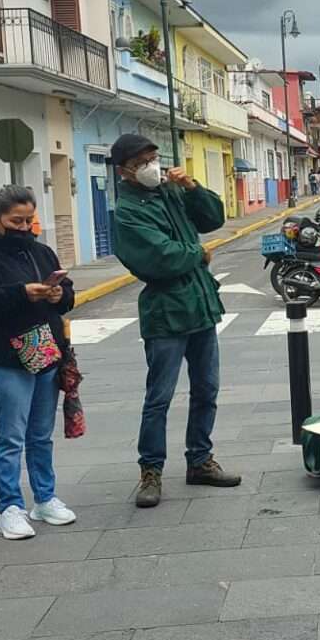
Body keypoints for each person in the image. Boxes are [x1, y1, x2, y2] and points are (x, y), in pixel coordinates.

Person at [110, 133, 242, 508]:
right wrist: (197, 255)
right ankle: (150, 470)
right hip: (166, 312)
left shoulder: (170, 192)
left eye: (155, 158)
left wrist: (193, 187)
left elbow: (212, 218)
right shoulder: (127, 212)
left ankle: (200, 460)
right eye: (143, 162)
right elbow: (157, 256)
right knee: (160, 397)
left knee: (207, 389)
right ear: (125, 171)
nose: (153, 166)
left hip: (200, 305)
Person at [0, 186, 77, 540]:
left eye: (29, 220)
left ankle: (45, 497)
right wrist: (20, 293)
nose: (24, 227)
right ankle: (9, 505)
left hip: (45, 351)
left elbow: (67, 296)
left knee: (40, 434)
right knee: (10, 436)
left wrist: (58, 293)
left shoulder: (42, 252)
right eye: (15, 221)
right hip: (5, 355)